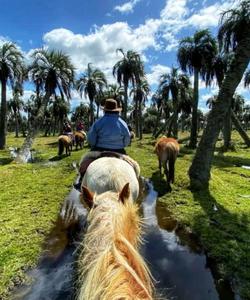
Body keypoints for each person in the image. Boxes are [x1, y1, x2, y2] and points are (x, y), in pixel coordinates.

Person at [74, 99, 131, 190]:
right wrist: (120, 145)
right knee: (134, 167)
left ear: (104, 110)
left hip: (99, 150)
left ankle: (81, 181)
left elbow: (91, 139)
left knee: (83, 164)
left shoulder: (98, 122)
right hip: (119, 151)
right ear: (116, 110)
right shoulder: (123, 123)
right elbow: (127, 140)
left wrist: (95, 144)